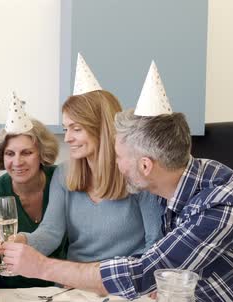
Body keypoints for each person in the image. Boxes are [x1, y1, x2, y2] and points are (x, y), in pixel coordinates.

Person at [2, 63, 233, 302]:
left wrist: (44, 268)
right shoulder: (168, 186)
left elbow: (146, 270)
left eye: (120, 158)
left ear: (146, 166)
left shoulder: (223, 203)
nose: (117, 165)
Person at [15, 54, 163, 263]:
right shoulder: (63, 174)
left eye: (76, 129)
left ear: (101, 128)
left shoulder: (137, 174)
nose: (67, 138)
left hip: (122, 285)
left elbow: (155, 242)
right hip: (74, 284)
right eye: (66, 129)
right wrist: (21, 240)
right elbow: (50, 234)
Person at [0, 92, 66, 288]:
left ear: (41, 154)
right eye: (10, 154)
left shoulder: (62, 180)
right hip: (11, 291)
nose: (17, 162)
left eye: (27, 153)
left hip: (62, 289)